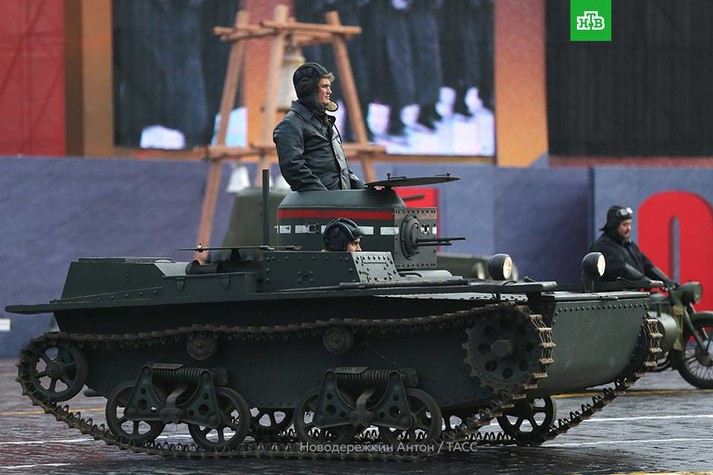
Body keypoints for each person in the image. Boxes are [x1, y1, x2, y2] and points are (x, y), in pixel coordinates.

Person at [273, 62, 365, 191]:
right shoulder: (291, 124)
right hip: (321, 201)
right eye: (324, 86)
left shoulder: (324, 121)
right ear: (309, 89)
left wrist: (365, 189)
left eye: (329, 86)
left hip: (340, 199)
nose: (329, 91)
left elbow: (338, 169)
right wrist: (323, 196)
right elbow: (293, 169)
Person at [590, 205, 676, 287]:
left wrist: (667, 281)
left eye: (629, 224)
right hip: (613, 295)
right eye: (624, 225)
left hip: (632, 293)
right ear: (614, 226)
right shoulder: (602, 246)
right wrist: (645, 281)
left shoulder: (630, 246)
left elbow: (647, 266)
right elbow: (621, 268)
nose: (629, 228)